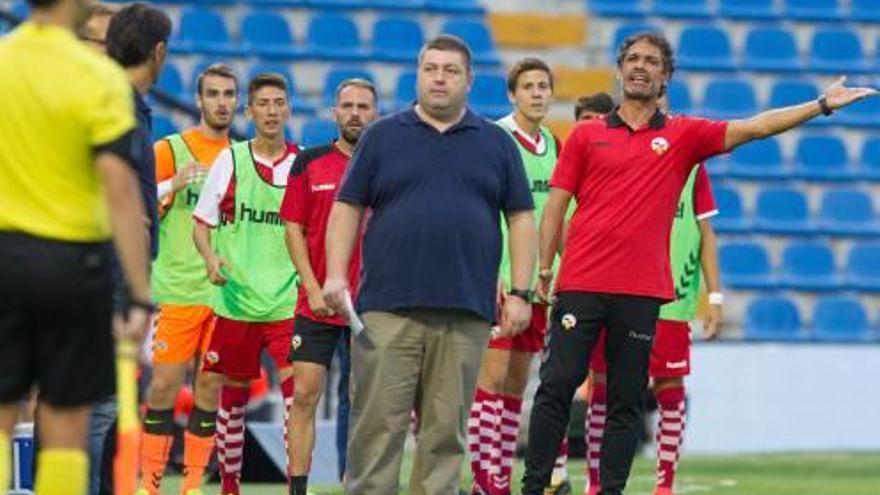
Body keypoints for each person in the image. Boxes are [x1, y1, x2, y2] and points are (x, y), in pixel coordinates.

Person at [523, 32, 877, 495]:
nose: (640, 66)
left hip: (642, 291)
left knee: (626, 402)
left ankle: (609, 491)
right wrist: (545, 270)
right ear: (619, 69)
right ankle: (532, 488)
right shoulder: (586, 134)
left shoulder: (684, 135)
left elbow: (756, 127)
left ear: (665, 75)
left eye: (652, 60)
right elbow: (555, 206)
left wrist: (821, 105)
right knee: (555, 388)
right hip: (581, 284)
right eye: (632, 59)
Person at [322, 35, 537, 495]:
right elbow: (346, 207)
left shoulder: (496, 144)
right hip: (385, 309)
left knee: (444, 437)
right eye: (430, 68)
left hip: (465, 311)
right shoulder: (382, 136)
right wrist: (335, 274)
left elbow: (521, 217)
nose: (439, 77)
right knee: (376, 431)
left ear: (469, 80)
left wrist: (521, 292)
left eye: (451, 70)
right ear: (417, 74)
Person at [0, 0, 151, 493]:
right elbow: (120, 190)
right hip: (72, 265)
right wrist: (138, 292)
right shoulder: (99, 77)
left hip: (5, 258)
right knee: (66, 423)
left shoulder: (3, 61)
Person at [192, 73, 300, 495]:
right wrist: (210, 256)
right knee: (232, 398)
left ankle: (297, 483)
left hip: (288, 302)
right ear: (249, 111)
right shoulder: (231, 160)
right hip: (237, 299)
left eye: (279, 102)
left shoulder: (302, 163)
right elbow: (201, 225)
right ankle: (230, 486)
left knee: (299, 397)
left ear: (288, 108)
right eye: (264, 104)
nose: (272, 111)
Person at [467, 57, 568, 495]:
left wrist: (560, 272)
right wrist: (491, 274)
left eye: (543, 86)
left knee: (514, 385)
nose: (537, 93)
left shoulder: (554, 144)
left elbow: (559, 217)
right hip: (501, 282)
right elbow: (482, 213)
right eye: (528, 86)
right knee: (488, 382)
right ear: (512, 94)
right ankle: (484, 481)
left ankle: (499, 477)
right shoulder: (494, 138)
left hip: (539, 286)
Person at [138, 63, 239, 495]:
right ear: (198, 100)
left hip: (222, 295)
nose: (221, 102)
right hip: (175, 290)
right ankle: (152, 484)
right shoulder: (170, 149)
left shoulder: (242, 157)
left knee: (210, 387)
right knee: (162, 388)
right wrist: (173, 185)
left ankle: (192, 486)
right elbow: (139, 204)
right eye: (213, 94)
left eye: (229, 94)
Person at [280, 78, 378, 495]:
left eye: (363, 106)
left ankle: (353, 483)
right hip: (315, 304)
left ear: (375, 114)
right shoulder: (310, 162)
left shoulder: (385, 165)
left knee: (361, 402)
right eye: (348, 106)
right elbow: (292, 227)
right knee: (304, 395)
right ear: (333, 112)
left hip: (369, 305)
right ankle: (297, 489)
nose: (355, 113)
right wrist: (312, 286)